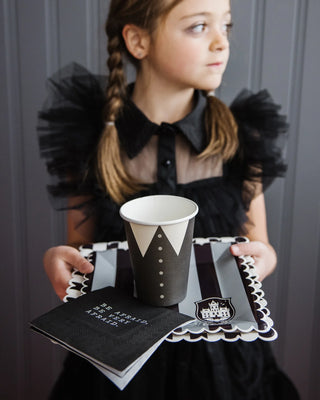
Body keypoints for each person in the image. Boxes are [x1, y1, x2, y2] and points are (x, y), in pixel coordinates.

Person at [38, 0, 300, 398]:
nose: (221, 43)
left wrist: (261, 260)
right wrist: (60, 261)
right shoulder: (89, 138)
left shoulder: (242, 135)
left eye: (225, 26)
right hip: (117, 364)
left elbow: (261, 245)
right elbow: (80, 252)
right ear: (138, 40)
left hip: (221, 364)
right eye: (198, 27)